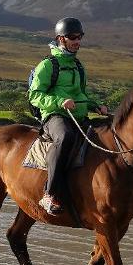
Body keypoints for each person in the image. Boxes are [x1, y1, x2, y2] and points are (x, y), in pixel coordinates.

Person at [28, 17, 108, 215]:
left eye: (80, 37)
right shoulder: (48, 65)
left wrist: (95, 106)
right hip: (55, 115)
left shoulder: (79, 67)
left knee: (107, 132)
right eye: (73, 37)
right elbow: (35, 95)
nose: (77, 41)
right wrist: (59, 102)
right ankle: (49, 193)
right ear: (60, 39)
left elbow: (81, 95)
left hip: (78, 116)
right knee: (65, 137)